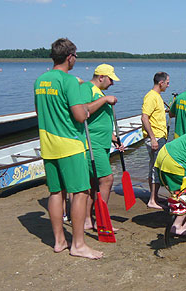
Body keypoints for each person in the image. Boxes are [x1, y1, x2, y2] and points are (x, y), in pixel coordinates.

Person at [34, 38, 102, 259]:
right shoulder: (69, 81)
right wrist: (87, 109)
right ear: (70, 56)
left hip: (47, 144)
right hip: (70, 144)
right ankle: (79, 244)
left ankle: (59, 241)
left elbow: (39, 111)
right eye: (76, 56)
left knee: (55, 193)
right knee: (80, 193)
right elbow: (80, 115)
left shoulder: (40, 81)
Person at [80, 64, 120, 230]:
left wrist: (114, 139)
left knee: (94, 184)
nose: (112, 83)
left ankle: (89, 220)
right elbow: (83, 110)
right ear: (101, 77)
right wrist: (105, 99)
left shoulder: (98, 91)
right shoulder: (86, 88)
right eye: (111, 79)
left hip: (102, 143)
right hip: (92, 144)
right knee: (107, 180)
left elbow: (99, 121)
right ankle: (101, 220)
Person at [141, 72, 170, 209]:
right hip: (156, 137)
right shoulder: (151, 96)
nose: (168, 85)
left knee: (155, 167)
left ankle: (155, 196)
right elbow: (144, 117)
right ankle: (152, 200)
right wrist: (152, 138)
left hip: (160, 136)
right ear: (161, 83)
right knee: (156, 169)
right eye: (167, 83)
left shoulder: (157, 96)